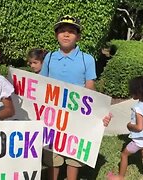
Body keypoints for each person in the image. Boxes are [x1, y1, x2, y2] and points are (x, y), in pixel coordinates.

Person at [40, 15, 112, 180]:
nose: (66, 35)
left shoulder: (87, 59)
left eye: (71, 32)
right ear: (56, 35)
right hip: (54, 116)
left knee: (75, 153)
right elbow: (41, 85)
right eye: (62, 31)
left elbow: (90, 88)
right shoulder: (49, 58)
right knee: (53, 153)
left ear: (78, 36)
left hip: (77, 116)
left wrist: (99, 113)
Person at [108, 76, 143, 180]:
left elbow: (139, 127)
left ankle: (120, 176)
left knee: (124, 155)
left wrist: (129, 125)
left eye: (134, 91)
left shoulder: (138, 108)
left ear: (140, 93)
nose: (132, 93)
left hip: (138, 142)